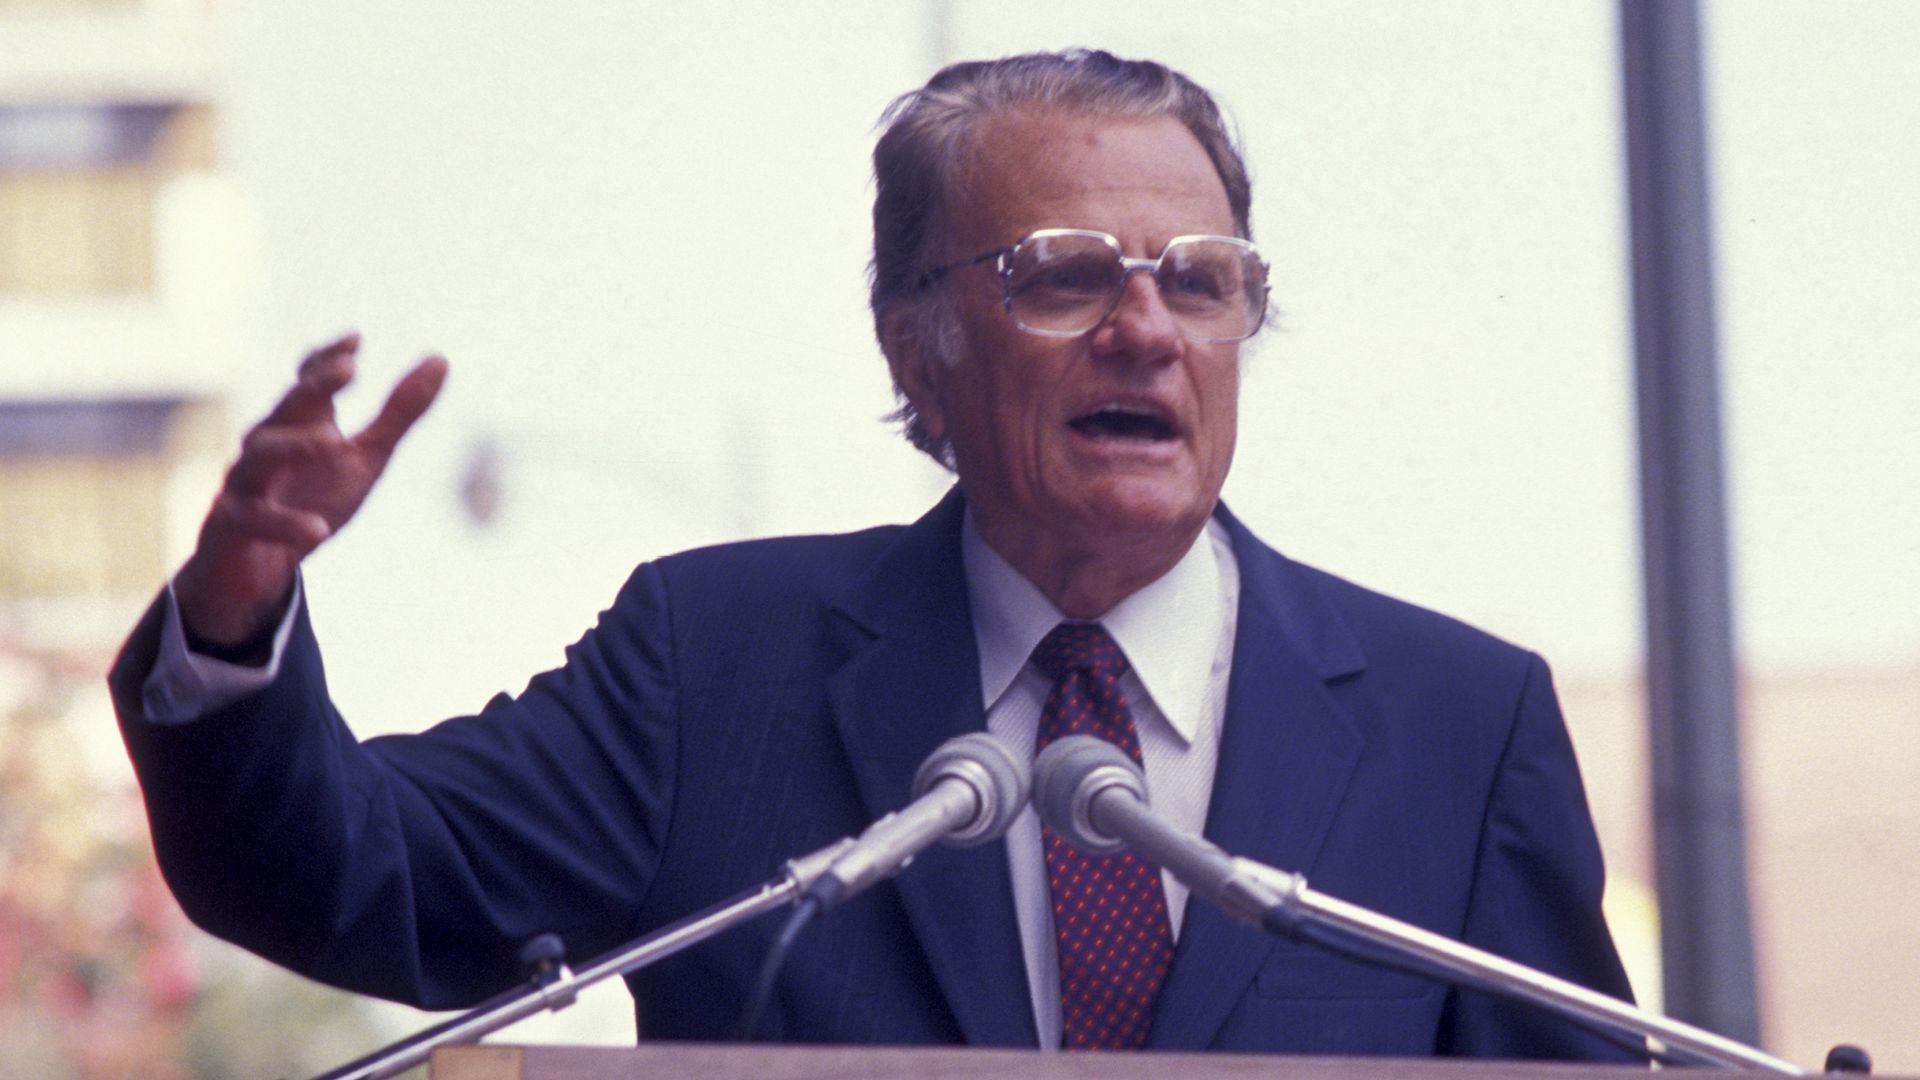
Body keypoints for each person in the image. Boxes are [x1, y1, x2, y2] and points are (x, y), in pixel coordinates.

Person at [111, 50, 1636, 1057]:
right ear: (915, 348)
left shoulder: (1458, 724)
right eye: (1066, 277)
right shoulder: (718, 665)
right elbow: (361, 877)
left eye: (1204, 282)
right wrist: (233, 625)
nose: (1147, 328)